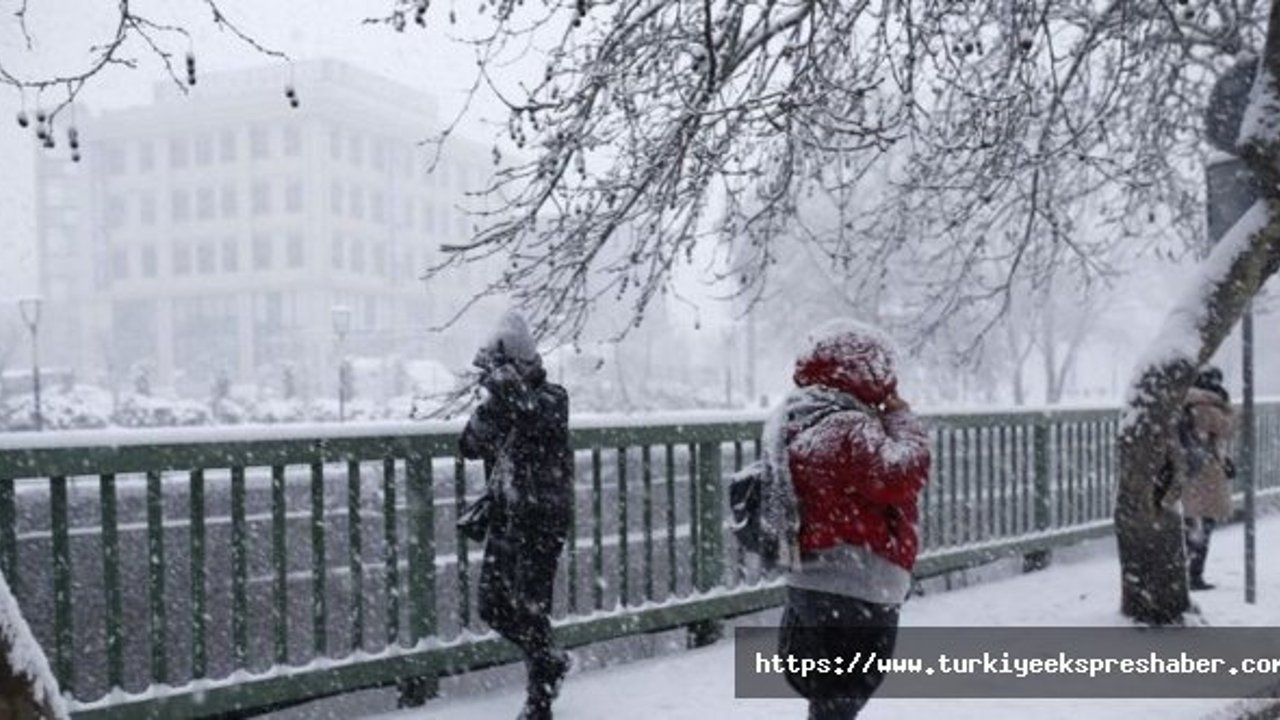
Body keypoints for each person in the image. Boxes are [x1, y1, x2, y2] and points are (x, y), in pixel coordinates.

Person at [762, 319, 931, 720]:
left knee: (827, 693)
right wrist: (902, 419)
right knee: (845, 694)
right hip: (857, 583)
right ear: (864, 371)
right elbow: (901, 473)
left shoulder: (793, 418)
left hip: (810, 580)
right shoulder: (848, 425)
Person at [459, 311, 573, 720]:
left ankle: (539, 702)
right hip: (506, 520)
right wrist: (493, 404)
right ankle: (549, 660)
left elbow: (535, 415)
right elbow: (468, 445)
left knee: (530, 606)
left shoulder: (553, 398)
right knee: (493, 606)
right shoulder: (500, 407)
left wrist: (510, 392)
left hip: (542, 520)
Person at [1181, 366, 1234, 591]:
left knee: (1191, 524)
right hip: (1204, 474)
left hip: (1188, 471)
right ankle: (1193, 576)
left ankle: (1186, 574)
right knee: (1201, 526)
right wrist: (1226, 406)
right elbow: (1228, 430)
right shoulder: (1207, 406)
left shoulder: (1186, 402)